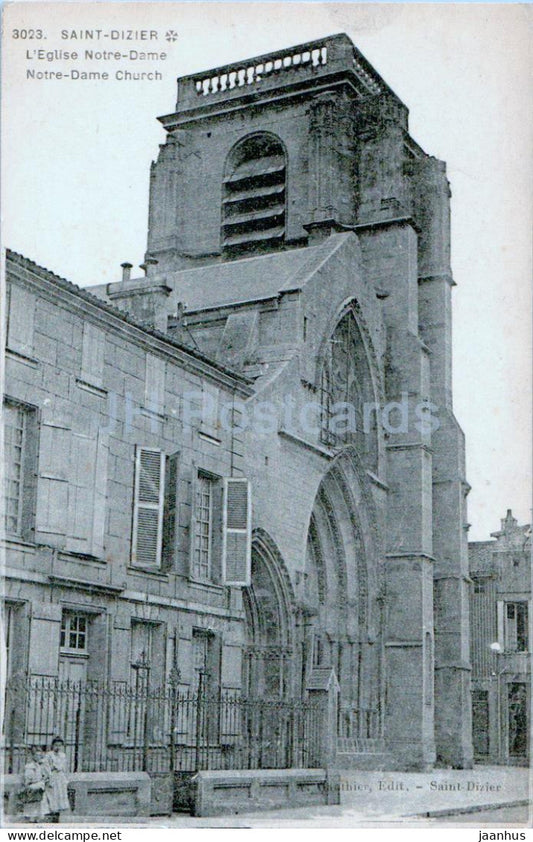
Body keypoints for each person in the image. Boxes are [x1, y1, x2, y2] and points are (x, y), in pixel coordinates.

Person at [19, 745, 50, 823]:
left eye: (40, 755)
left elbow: (47, 775)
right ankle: (31, 821)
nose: (39, 757)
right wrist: (38, 783)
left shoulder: (41, 766)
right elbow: (28, 779)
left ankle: (37, 820)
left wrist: (44, 778)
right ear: (33, 755)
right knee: (32, 809)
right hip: (33, 788)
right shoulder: (30, 766)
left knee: (40, 810)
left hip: (40, 789)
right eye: (37, 755)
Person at [44, 737, 70, 822]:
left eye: (59, 745)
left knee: (60, 796)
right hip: (53, 777)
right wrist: (49, 776)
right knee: (52, 796)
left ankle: (57, 815)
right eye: (56, 745)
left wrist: (66, 779)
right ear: (52, 746)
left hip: (60, 778)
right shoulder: (49, 755)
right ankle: (52, 814)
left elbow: (64, 768)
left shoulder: (63, 755)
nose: (57, 747)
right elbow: (47, 767)